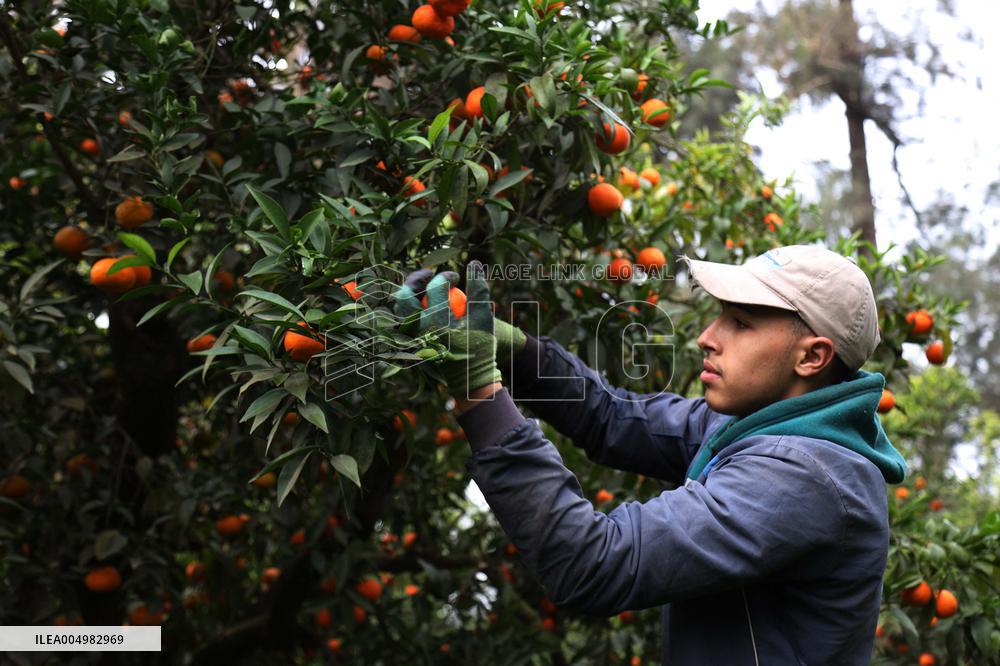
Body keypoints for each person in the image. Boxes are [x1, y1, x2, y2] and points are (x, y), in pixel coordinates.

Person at [392, 244, 907, 665]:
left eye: (742, 324)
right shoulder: (753, 425)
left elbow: (591, 562)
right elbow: (611, 417)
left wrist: (479, 389)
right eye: (719, 316)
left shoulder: (805, 477)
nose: (708, 337)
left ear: (812, 356)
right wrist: (515, 350)